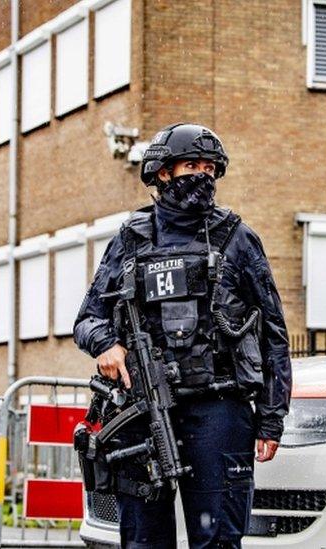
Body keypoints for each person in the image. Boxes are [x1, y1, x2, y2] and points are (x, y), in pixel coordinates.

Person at [74, 123, 292, 549]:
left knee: (217, 541)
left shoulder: (237, 238)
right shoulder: (131, 239)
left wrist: (271, 418)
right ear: (162, 172)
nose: (202, 176)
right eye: (191, 165)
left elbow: (273, 334)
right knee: (143, 541)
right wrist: (106, 345)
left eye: (210, 168)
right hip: (141, 411)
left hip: (218, 410)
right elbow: (87, 319)